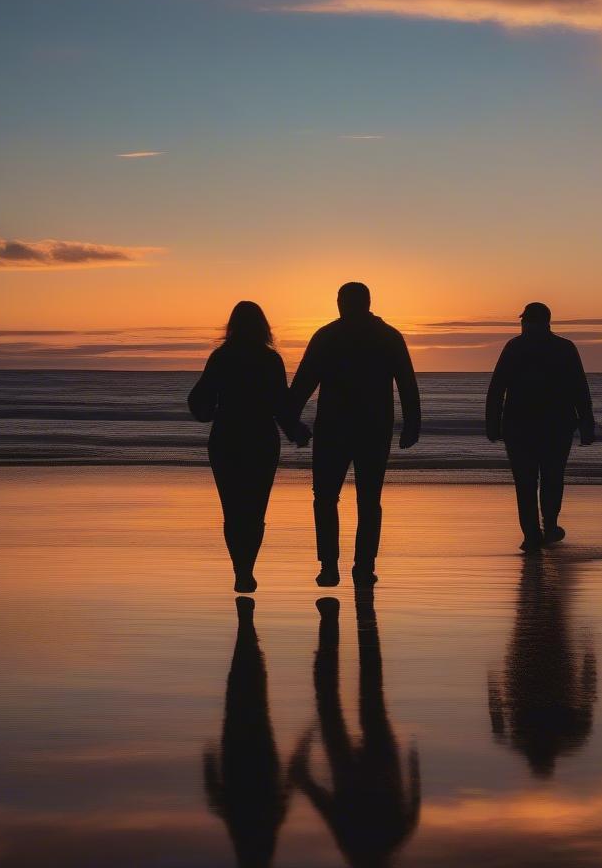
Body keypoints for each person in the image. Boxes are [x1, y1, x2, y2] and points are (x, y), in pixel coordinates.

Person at [288, 282, 420, 588]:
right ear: (368, 303)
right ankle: (362, 567)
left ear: (340, 303)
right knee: (368, 500)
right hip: (374, 428)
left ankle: (330, 566)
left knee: (325, 498)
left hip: (334, 428)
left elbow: (303, 384)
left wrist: (290, 421)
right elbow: (408, 385)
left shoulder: (327, 336)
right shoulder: (388, 336)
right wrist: (412, 424)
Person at [290, 592, 421, 867]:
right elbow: (323, 803)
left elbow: (414, 805)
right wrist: (302, 770)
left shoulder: (392, 838)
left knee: (369, 693)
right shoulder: (355, 844)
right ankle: (334, 622)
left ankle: (359, 615)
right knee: (332, 702)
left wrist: (412, 760)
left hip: (377, 766)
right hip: (354, 772)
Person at [189, 301, 311, 592]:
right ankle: (248, 569)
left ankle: (240, 570)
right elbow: (282, 405)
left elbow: (198, 399)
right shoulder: (270, 360)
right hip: (260, 438)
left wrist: (210, 413)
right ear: (263, 327)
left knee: (232, 510)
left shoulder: (221, 357)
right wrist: (295, 431)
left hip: (227, 437)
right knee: (255, 510)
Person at [485, 302, 595, 552]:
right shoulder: (563, 348)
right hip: (552, 426)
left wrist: (493, 423)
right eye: (524, 321)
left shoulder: (516, 347)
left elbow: (496, 388)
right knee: (550, 478)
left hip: (525, 426)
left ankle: (535, 533)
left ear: (541, 322)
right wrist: (586, 424)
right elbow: (580, 389)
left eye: (527, 321)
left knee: (528, 482)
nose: (524, 325)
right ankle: (546, 527)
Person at [488, 556, 597, 777]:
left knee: (537, 612)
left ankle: (538, 561)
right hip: (542, 669)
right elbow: (587, 698)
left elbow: (588, 698)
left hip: (532, 671)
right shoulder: (567, 737)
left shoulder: (526, 739)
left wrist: (589, 660)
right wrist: (589, 660)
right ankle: (543, 561)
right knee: (542, 612)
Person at [204, 597, 289, 868]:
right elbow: (214, 790)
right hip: (250, 752)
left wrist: (209, 760)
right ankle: (247, 628)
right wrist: (209, 759)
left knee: (248, 697)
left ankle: (246, 627)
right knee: (247, 699)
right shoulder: (260, 817)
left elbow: (285, 787)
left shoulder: (257, 817)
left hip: (249, 753)